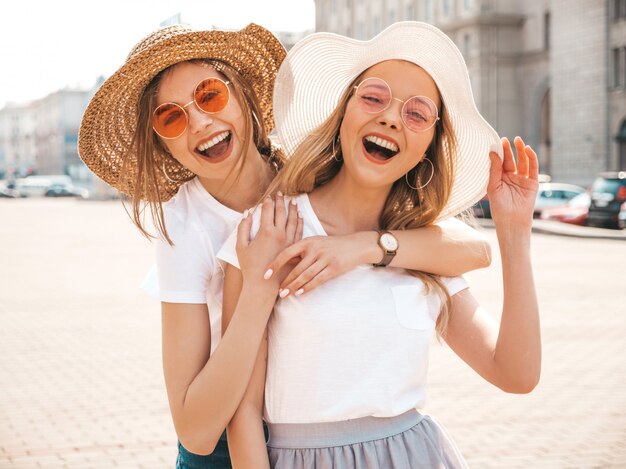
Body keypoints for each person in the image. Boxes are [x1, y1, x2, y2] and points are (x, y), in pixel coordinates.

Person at [78, 23, 493, 468]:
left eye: (210, 96)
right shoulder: (184, 226)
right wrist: (258, 287)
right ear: (162, 144)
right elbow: (195, 432)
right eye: (172, 117)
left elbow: (473, 248)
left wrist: (365, 245)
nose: (199, 121)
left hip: (310, 435)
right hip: (224, 444)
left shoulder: (309, 174)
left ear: (241, 95)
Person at [219, 21, 541, 468]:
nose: (391, 117)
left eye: (417, 113)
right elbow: (243, 414)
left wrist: (514, 232)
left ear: (429, 144)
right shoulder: (273, 229)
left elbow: (517, 374)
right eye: (373, 97)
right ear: (343, 111)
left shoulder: (423, 249)